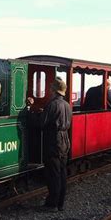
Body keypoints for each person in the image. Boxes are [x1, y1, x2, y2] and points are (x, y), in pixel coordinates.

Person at [40, 77, 72, 212]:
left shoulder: (53, 104)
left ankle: (52, 204)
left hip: (54, 140)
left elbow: (42, 122)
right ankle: (60, 203)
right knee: (62, 172)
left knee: (53, 173)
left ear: (54, 90)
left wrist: (29, 111)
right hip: (65, 139)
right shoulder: (67, 105)